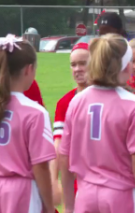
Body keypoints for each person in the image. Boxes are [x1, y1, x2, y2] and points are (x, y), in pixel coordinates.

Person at [59, 34, 135, 213]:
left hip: (86, 194)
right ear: (125, 65)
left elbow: (64, 157)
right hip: (122, 195)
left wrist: (69, 205)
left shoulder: (77, 100)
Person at [0, 35, 56, 213]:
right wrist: (49, 205)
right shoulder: (35, 112)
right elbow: (40, 166)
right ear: (29, 69)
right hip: (21, 192)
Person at [50, 42, 90, 207]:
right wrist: (53, 180)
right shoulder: (65, 102)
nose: (77, 69)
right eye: (73, 65)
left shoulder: (111, 97)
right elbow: (58, 144)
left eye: (83, 63)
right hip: (75, 182)